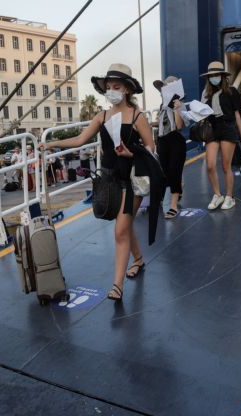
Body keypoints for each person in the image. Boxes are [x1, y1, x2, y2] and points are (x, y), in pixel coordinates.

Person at [39, 63, 158, 301]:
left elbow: (150, 148)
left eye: (116, 87)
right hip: (110, 179)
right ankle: (138, 259)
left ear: (127, 89)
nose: (111, 91)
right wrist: (51, 144)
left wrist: (130, 154)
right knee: (125, 225)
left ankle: (117, 285)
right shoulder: (102, 116)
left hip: (133, 180)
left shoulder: (138, 116)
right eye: (109, 87)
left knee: (120, 230)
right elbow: (80, 139)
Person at [200, 61, 241, 210]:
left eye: (216, 74)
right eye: (211, 75)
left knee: (225, 166)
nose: (214, 77)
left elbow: (236, 114)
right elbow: (202, 112)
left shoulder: (231, 91)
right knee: (210, 165)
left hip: (228, 128)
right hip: (212, 129)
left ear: (222, 76)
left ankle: (229, 196)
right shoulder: (206, 94)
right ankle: (218, 195)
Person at [153, 75, 186, 219]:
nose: (163, 91)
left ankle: (173, 206)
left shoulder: (179, 104)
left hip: (175, 140)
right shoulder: (162, 105)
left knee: (174, 171)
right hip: (162, 140)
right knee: (165, 172)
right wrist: (149, 124)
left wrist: (177, 109)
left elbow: (179, 125)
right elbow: (163, 123)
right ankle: (178, 188)